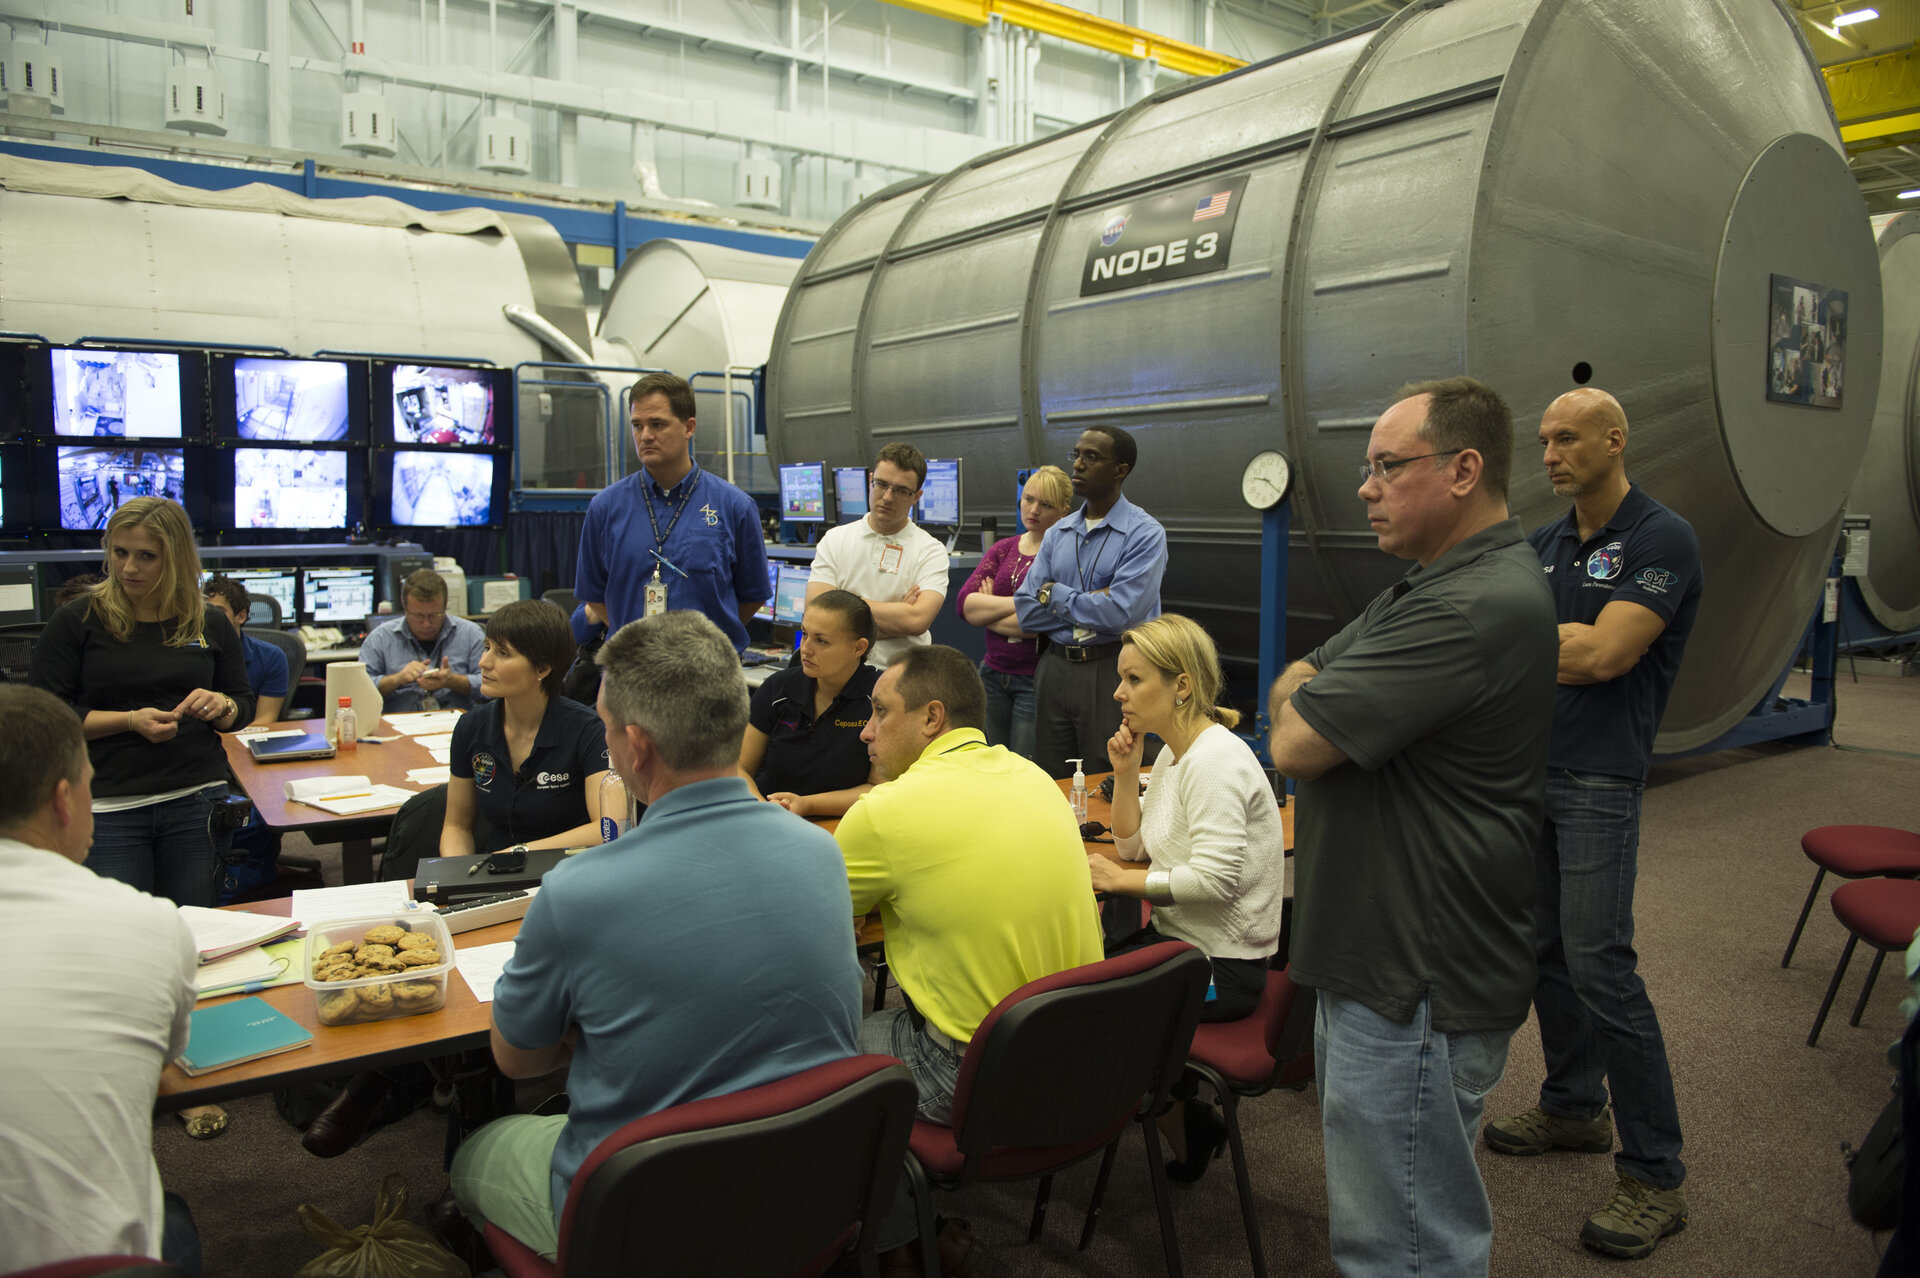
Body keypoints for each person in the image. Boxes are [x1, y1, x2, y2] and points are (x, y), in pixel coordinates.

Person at [448, 611, 863, 1261]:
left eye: (609, 732)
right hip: (803, 1185)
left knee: (475, 1155)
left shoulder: (580, 892)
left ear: (635, 747)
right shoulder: (821, 855)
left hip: (646, 1207)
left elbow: (518, 1062)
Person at [1265, 377, 1557, 1277]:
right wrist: (1305, 704)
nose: (1365, 487)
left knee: (1404, 1249)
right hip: (1383, 966)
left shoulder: (1469, 606)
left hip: (1414, 982)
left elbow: (1296, 737)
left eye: (1389, 466)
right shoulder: (1428, 588)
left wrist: (1307, 712)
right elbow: (1296, 675)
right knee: (1389, 1226)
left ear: (1464, 469)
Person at [1482, 387, 1703, 1259]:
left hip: (1600, 780)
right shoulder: (1542, 543)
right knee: (1545, 953)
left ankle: (1656, 1176)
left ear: (1615, 440)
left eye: (1567, 438)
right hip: (1530, 773)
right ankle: (1575, 1108)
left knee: (1603, 966)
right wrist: (1549, 648)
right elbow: (1511, 640)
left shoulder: (1660, 537)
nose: (1549, 455)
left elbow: (1608, 653)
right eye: (1543, 441)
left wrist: (1537, 647)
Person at [838, 644, 1103, 1123]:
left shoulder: (883, 812)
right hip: (1081, 1058)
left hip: (974, 1076)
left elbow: (821, 923)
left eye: (880, 711)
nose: (866, 732)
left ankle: (876, 1188)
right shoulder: (1037, 778)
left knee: (822, 1050)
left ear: (932, 717)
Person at [0, 685, 204, 1274]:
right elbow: (164, 1062)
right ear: (65, 800)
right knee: (175, 1226)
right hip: (94, 1259)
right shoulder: (149, 923)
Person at [1089, 613, 1287, 1181]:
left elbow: (1213, 881)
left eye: (1134, 679)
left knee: (1079, 1007)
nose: (1118, 692)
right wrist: (1127, 774)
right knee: (1077, 980)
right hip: (1182, 946)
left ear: (1182, 686)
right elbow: (1131, 847)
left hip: (1223, 968)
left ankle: (1172, 1110)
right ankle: (1177, 1107)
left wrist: (1119, 883)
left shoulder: (1215, 762)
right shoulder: (1175, 754)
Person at [29, 497, 254, 908]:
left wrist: (222, 706)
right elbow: (46, 717)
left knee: (198, 935)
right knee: (122, 936)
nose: (129, 568)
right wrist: (129, 721)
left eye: (146, 556)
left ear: (176, 557)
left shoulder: (210, 622)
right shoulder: (78, 620)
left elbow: (241, 703)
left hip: (196, 799)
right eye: (120, 553)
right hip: (112, 804)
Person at [573, 371, 770, 647]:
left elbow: (754, 595)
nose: (645, 436)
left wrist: (705, 643)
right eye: (637, 425)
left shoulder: (735, 507)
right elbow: (594, 595)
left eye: (657, 424)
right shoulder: (605, 508)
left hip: (707, 671)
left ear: (689, 427)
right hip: (632, 671)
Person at [1014, 425, 1168, 779]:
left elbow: (1121, 613)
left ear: (1121, 470)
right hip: (1054, 668)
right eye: (1077, 455)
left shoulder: (1145, 534)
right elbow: (1026, 608)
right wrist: (1089, 605)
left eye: (1092, 457)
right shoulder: (1058, 532)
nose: (1078, 465)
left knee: (1107, 774)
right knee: (1051, 779)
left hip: (1111, 670)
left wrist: (1054, 593)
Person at [444, 599, 613, 858]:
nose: (484, 662)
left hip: (569, 872)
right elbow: (456, 826)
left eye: (502, 653)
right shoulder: (470, 727)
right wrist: (459, 880)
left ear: (542, 668)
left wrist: (519, 853)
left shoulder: (587, 731)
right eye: (487, 647)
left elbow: (606, 829)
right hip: (494, 875)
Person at [954, 464, 1071, 758]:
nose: (1033, 509)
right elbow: (965, 605)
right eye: (1028, 499)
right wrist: (1025, 603)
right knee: (989, 762)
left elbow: (1039, 624)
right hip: (992, 673)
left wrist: (990, 611)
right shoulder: (1004, 548)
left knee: (1022, 765)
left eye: (1045, 504)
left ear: (1063, 511)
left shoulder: (1064, 556)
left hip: (1033, 678)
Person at [737, 588, 881, 817]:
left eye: (821, 640)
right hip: (766, 814)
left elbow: (877, 788)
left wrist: (806, 805)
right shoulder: (777, 688)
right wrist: (763, 809)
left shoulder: (879, 700)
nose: (805, 649)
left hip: (839, 824)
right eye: (804, 634)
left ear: (859, 647)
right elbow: (740, 767)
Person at [806, 442, 950, 667]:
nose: (888, 497)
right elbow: (816, 610)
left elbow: (916, 621)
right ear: (870, 480)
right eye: (881, 484)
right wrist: (896, 615)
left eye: (902, 490)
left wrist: (841, 602)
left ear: (917, 496)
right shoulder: (835, 540)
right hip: (838, 673)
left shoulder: (931, 551)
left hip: (900, 679)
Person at [359, 569, 486, 712]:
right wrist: (397, 679)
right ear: (404, 606)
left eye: (434, 615)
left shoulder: (470, 634)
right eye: (418, 616)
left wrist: (452, 681)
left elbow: (492, 687)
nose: (426, 624)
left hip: (456, 726)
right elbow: (359, 690)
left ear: (445, 606)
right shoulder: (380, 638)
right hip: (400, 726)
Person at [204, 574, 289, 725]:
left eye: (218, 612)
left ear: (241, 616)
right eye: (204, 611)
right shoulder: (192, 656)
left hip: (244, 739)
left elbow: (264, 721)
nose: (209, 619)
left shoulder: (271, 657)